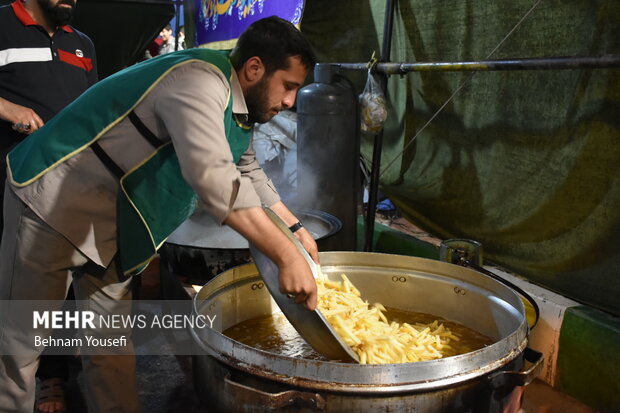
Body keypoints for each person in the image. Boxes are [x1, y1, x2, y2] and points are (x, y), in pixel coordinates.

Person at [0, 15, 317, 413]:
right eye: (288, 87)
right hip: (52, 201)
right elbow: (215, 181)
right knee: (19, 347)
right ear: (255, 68)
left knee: (110, 348)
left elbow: (246, 166)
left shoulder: (240, 106)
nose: (290, 102)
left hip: (115, 222)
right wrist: (285, 255)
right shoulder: (198, 82)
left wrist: (294, 228)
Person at [0, 1, 97, 412]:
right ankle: (21, 381)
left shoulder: (83, 44)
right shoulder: (3, 23)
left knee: (64, 284)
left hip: (70, 185)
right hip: (12, 184)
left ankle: (53, 376)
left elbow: (96, 107)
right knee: (17, 291)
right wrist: (8, 109)